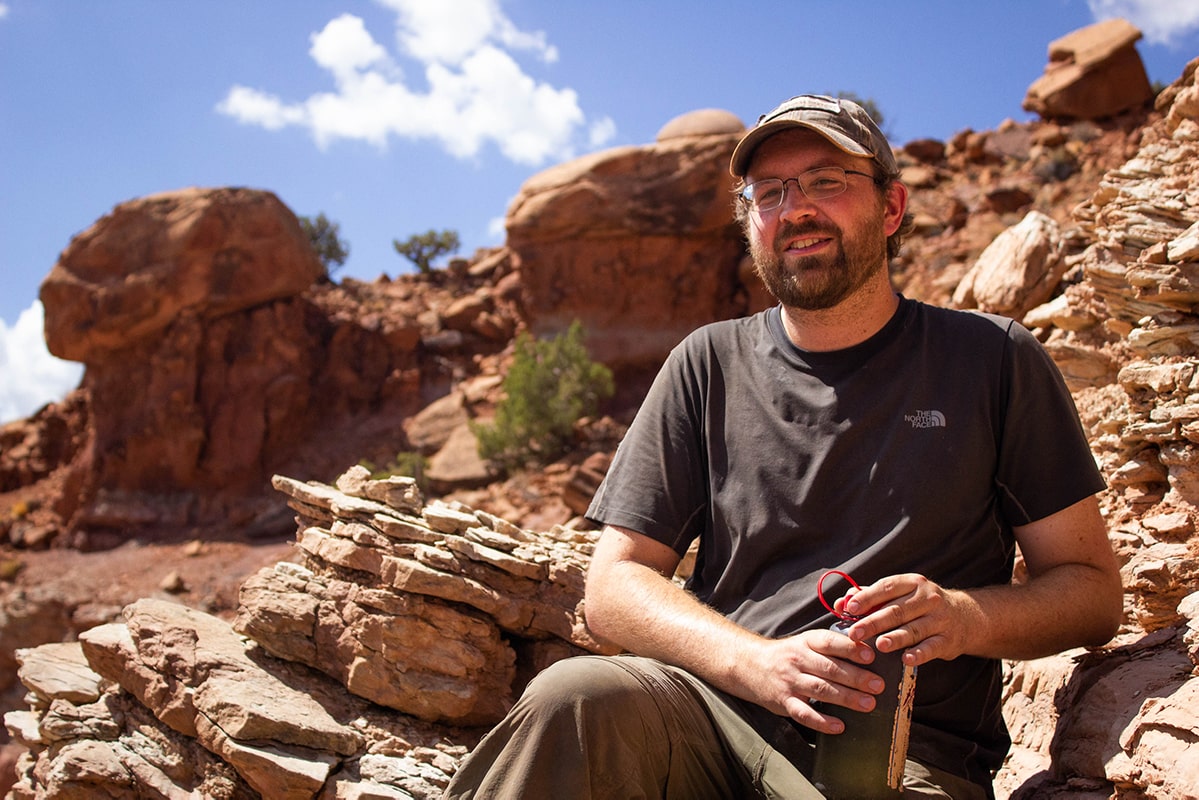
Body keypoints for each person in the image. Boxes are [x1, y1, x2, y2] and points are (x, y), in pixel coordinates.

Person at [443, 94, 1123, 799]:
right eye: (768, 193)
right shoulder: (705, 363)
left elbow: (1091, 591)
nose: (794, 208)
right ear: (750, 226)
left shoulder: (992, 360)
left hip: (899, 759)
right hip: (710, 718)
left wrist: (959, 617)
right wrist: (755, 664)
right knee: (574, 695)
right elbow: (612, 588)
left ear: (890, 209)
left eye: (826, 181)